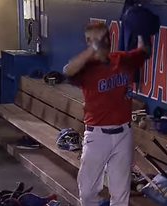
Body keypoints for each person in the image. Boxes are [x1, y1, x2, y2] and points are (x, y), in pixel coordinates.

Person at [63, 22, 149, 206]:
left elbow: (143, 52)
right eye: (95, 39)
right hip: (97, 136)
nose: (102, 42)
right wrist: (92, 49)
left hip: (123, 134)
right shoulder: (86, 68)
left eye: (104, 38)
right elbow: (67, 71)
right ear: (87, 41)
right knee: (87, 192)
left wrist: (142, 31)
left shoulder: (122, 59)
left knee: (120, 193)